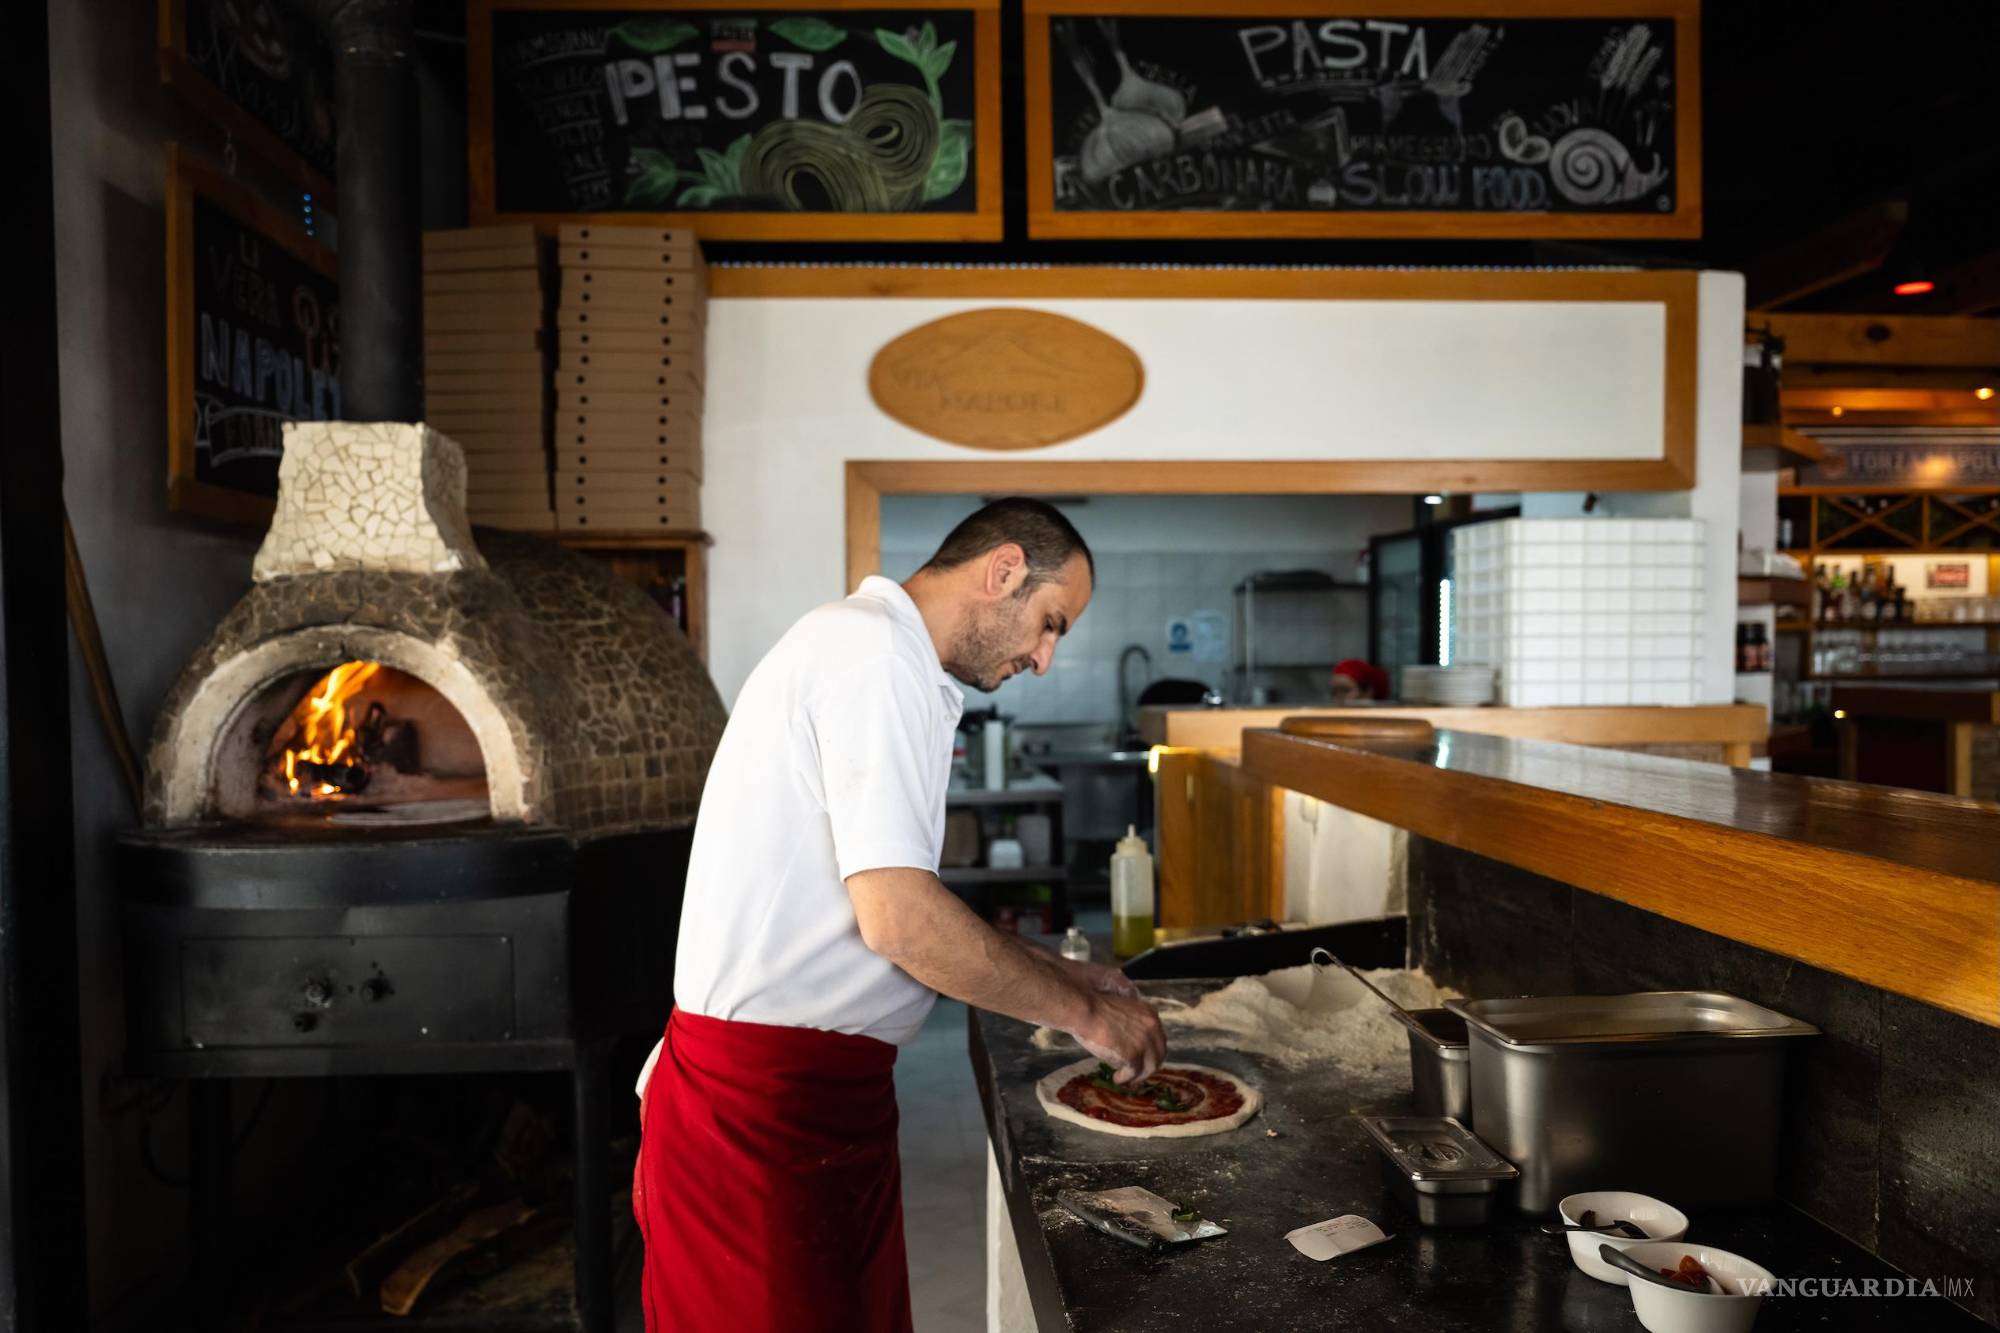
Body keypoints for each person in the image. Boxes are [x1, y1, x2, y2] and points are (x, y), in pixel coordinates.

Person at [635, 498, 1168, 1332]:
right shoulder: (874, 653)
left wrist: (1063, 971)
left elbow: (890, 906)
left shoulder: (886, 655)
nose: (1045, 658)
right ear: (1003, 571)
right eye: (1050, 623)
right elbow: (900, 921)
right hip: (759, 1111)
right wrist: (1087, 1013)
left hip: (823, 1099)